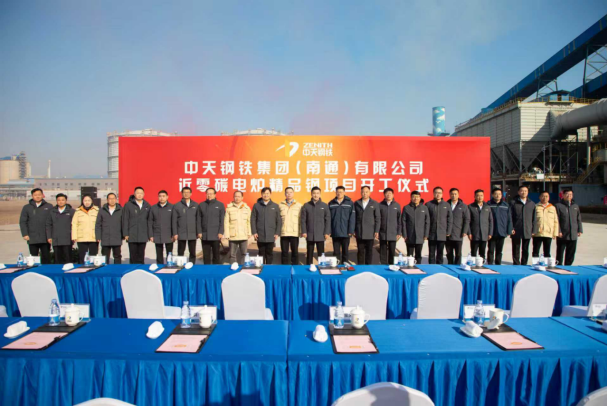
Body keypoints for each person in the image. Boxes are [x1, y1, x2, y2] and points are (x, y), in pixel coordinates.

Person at [19, 188, 54, 264]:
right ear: (32, 196)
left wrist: (50, 235)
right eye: (35, 195)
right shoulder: (27, 207)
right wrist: (25, 234)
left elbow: (52, 221)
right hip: (32, 237)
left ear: (42, 195)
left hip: (45, 238)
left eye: (39, 194)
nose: (37, 196)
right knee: (33, 258)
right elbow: (23, 222)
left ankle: (46, 270)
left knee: (46, 257)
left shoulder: (49, 206)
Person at [251, 187, 282, 265]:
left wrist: (277, 233)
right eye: (264, 193)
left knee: (269, 253)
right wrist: (254, 232)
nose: (266, 195)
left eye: (267, 193)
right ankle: (261, 268)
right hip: (260, 234)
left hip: (271, 234)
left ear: (270, 194)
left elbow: (278, 220)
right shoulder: (256, 205)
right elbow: (253, 219)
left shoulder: (275, 206)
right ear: (261, 194)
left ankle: (268, 269)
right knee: (261, 253)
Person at [301, 186, 331, 264]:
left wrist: (326, 232)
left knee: (321, 254)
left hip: (321, 234)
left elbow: (328, 220)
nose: (316, 195)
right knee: (309, 253)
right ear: (311, 194)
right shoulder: (306, 205)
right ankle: (308, 267)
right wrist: (304, 231)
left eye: (317, 193)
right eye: (314, 193)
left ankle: (322, 266)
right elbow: (303, 220)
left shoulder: (324, 206)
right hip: (309, 233)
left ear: (320, 194)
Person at [122, 186, 151, 264]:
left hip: (143, 234)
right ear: (134, 194)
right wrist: (125, 233)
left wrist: (149, 234)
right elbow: (125, 219)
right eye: (138, 193)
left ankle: (141, 269)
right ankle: (132, 270)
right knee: (133, 256)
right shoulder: (128, 205)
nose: (139, 195)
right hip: (132, 234)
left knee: (141, 255)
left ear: (144, 194)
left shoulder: (147, 205)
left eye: (141, 193)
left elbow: (149, 221)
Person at [197, 188, 226, 265]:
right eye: (208, 193)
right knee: (206, 255)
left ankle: (216, 269)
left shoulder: (220, 205)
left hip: (216, 234)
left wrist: (221, 232)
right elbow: (198, 220)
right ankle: (206, 269)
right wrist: (199, 232)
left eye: (211, 193)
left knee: (216, 255)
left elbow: (222, 220)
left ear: (215, 195)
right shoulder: (201, 205)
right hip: (205, 234)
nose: (209, 195)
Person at [555, 189, 583, 265]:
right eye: (567, 194)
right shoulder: (558, 206)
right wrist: (558, 231)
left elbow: (578, 219)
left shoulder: (575, 206)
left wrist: (580, 230)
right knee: (560, 252)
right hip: (562, 234)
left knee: (571, 253)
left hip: (573, 234)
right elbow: (556, 220)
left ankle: (568, 266)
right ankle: (559, 266)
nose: (569, 196)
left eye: (570, 194)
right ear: (563, 195)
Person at [328, 186, 355, 265]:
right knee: (336, 251)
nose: (339, 193)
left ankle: (344, 265)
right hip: (335, 231)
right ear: (335, 193)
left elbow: (352, 218)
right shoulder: (331, 203)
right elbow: (329, 218)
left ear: (344, 192)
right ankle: (336, 265)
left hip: (346, 232)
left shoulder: (350, 203)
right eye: (338, 192)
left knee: (345, 251)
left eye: (341, 192)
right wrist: (329, 230)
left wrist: (351, 230)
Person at [354, 186, 381, 265]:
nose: (364, 193)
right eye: (363, 192)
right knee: (360, 251)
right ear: (360, 193)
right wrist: (353, 230)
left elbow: (377, 218)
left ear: (369, 193)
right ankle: (360, 267)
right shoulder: (357, 203)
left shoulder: (375, 203)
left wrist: (376, 230)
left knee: (369, 251)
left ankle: (368, 266)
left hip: (370, 231)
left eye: (366, 192)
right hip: (360, 231)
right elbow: (354, 217)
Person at [425, 186, 453, 264]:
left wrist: (448, 231)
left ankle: (439, 268)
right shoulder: (428, 204)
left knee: (440, 253)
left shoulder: (446, 205)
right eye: (436, 193)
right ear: (433, 194)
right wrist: (426, 233)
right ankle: (431, 268)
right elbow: (425, 219)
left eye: (439, 193)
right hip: (431, 233)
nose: (438, 194)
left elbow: (450, 219)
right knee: (431, 253)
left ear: (442, 194)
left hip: (442, 233)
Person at [46, 193, 75, 264]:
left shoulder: (71, 211)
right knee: (57, 259)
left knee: (68, 259)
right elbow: (48, 224)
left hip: (67, 239)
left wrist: (74, 236)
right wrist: (49, 236)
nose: (61, 201)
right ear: (56, 201)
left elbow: (75, 225)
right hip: (56, 239)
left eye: (62, 200)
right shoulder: (52, 211)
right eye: (59, 200)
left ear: (66, 201)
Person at [510, 185, 535, 265]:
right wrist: (511, 228)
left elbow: (534, 218)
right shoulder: (513, 203)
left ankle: (524, 263)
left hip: (527, 229)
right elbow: (510, 216)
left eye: (525, 191)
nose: (523, 192)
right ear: (518, 192)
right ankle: (516, 263)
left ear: (527, 192)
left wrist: (533, 230)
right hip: (516, 229)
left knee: (525, 248)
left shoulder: (531, 204)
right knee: (516, 248)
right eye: (522, 191)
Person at [402, 190, 429, 265]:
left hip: (420, 235)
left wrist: (426, 234)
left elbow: (427, 222)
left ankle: (418, 267)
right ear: (411, 198)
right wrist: (404, 234)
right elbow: (403, 222)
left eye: (417, 197)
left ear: (420, 198)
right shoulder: (406, 208)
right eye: (413, 197)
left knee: (418, 255)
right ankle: (409, 268)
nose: (415, 198)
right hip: (409, 235)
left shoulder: (424, 208)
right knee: (409, 255)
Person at [172, 187, 199, 264]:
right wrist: (175, 233)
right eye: (184, 192)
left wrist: (198, 232)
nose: (186, 194)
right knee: (180, 252)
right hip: (181, 233)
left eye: (188, 192)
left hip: (192, 233)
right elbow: (174, 221)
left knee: (192, 252)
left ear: (191, 194)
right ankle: (180, 265)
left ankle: (192, 265)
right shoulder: (177, 205)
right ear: (182, 193)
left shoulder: (195, 205)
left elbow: (198, 220)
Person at [224, 190, 252, 264]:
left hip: (243, 234)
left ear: (242, 197)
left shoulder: (247, 208)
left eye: (239, 196)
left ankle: (243, 267)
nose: (237, 198)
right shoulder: (229, 208)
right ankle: (233, 267)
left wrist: (249, 233)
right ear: (233, 197)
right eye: (236, 196)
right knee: (232, 255)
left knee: (244, 254)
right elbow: (226, 222)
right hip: (233, 235)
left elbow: (249, 221)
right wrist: (227, 234)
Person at [95, 193, 123, 264]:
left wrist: (123, 235)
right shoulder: (102, 210)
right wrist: (98, 236)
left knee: (117, 256)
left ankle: (117, 269)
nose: (112, 200)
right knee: (105, 257)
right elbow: (98, 224)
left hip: (116, 237)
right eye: (110, 199)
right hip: (105, 238)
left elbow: (124, 223)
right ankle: (105, 269)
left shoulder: (121, 210)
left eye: (113, 198)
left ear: (116, 200)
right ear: (107, 200)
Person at [487, 188, 512, 265]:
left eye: (499, 194)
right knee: (491, 250)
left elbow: (509, 218)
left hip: (502, 231)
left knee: (499, 250)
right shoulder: (488, 205)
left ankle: (498, 265)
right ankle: (490, 264)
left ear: (501, 195)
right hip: (492, 231)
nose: (497, 195)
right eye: (496, 194)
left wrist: (509, 230)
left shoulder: (506, 205)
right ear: (492, 195)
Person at [148, 190, 175, 264]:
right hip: (157, 234)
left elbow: (174, 222)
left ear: (167, 197)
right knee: (159, 253)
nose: (162, 198)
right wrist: (151, 235)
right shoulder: (153, 208)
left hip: (169, 234)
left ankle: (169, 265)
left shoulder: (172, 207)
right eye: (160, 196)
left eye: (163, 196)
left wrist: (174, 234)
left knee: (169, 253)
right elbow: (150, 222)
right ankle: (159, 266)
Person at [72, 194, 99, 264]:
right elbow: (74, 224)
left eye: (89, 200)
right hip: (81, 237)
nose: (87, 202)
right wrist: (74, 236)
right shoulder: (78, 211)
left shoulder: (97, 210)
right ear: (82, 201)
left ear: (92, 201)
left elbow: (99, 224)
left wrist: (99, 236)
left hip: (93, 237)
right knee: (82, 256)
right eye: (85, 201)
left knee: (93, 256)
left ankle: (93, 269)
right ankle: (82, 269)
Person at [278, 187, 302, 265]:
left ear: (293, 193)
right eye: (287, 192)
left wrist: (301, 231)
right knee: (284, 252)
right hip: (284, 232)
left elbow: (301, 220)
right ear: (285, 194)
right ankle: (284, 268)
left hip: (294, 232)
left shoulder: (299, 205)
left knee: (295, 252)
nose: (289, 194)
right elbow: (278, 220)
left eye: (290, 192)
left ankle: (295, 267)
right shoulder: (280, 205)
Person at [532, 191, 559, 259]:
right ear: (539, 197)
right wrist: (532, 231)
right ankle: (535, 263)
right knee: (535, 251)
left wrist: (555, 233)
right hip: (538, 233)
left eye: (546, 196)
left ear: (549, 198)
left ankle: (546, 263)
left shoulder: (552, 207)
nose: (544, 198)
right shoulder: (535, 207)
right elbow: (532, 220)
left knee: (547, 252)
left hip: (548, 233)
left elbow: (555, 221)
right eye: (543, 196)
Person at [445, 188, 469, 265]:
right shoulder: (446, 205)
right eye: (452, 194)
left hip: (458, 233)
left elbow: (467, 219)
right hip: (447, 233)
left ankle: (457, 267)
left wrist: (465, 231)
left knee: (458, 253)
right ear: (449, 195)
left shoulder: (463, 206)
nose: (454, 195)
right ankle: (450, 266)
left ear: (458, 195)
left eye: (455, 194)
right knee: (449, 253)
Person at [378, 188, 402, 265]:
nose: (388, 195)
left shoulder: (397, 205)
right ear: (384, 195)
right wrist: (377, 231)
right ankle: (383, 265)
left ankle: (391, 265)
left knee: (392, 251)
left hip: (393, 232)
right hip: (382, 232)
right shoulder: (380, 205)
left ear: (393, 195)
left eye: (390, 193)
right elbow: (377, 219)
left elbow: (399, 220)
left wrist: (399, 232)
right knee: (383, 250)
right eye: (387, 193)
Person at [468, 189, 493, 260]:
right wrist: (469, 233)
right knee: (473, 252)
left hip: (484, 234)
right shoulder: (470, 207)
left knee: (482, 253)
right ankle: (473, 264)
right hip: (474, 234)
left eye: (481, 195)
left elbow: (490, 221)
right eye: (478, 195)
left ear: (483, 196)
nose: (480, 197)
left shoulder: (487, 207)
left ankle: (481, 264)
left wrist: (490, 233)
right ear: (474, 196)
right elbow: (468, 221)